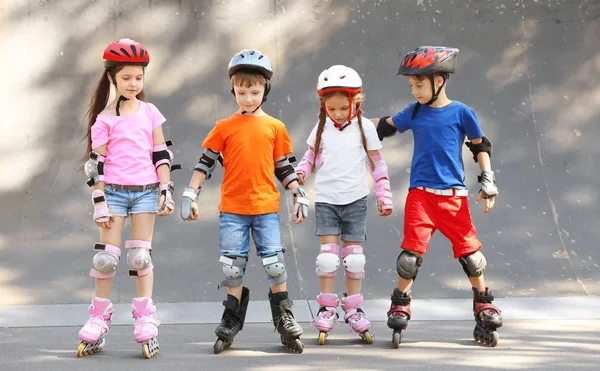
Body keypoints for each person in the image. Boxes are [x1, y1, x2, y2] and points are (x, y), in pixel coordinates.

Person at [181, 49, 309, 354]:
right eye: (241, 92)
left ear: (265, 89)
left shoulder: (275, 127)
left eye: (254, 91)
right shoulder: (224, 127)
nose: (248, 98)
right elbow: (205, 162)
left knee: (275, 266)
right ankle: (231, 319)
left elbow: (284, 167)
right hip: (233, 210)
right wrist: (190, 192)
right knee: (232, 268)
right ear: (233, 91)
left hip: (265, 207)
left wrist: (297, 193)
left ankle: (284, 318)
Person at [373, 46, 503, 348]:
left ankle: (483, 303)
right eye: (411, 85)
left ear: (440, 80)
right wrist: (347, 120)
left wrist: (488, 180)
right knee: (409, 258)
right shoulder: (414, 112)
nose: (415, 90)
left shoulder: (462, 113)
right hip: (421, 197)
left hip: (454, 198)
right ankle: (400, 301)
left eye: (419, 84)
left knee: (472, 256)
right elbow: (383, 126)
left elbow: (480, 146)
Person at [77, 38, 177, 359]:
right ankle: (99, 317)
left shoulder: (150, 112)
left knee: (140, 257)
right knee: (106, 258)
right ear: (111, 78)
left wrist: (165, 189)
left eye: (138, 77)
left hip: (146, 191)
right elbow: (95, 164)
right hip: (115, 194)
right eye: (126, 78)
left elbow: (160, 153)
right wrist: (99, 201)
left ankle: (145, 317)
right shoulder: (104, 119)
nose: (133, 83)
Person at [295, 65, 393, 345]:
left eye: (342, 107)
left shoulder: (365, 128)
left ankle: (353, 308)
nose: (337, 114)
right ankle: (327, 307)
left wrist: (384, 193)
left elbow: (377, 163)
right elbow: (310, 156)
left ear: (356, 101)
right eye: (331, 108)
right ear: (324, 106)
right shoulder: (321, 126)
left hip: (355, 200)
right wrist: (301, 173)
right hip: (326, 200)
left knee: (354, 259)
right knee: (327, 258)